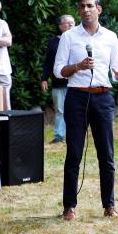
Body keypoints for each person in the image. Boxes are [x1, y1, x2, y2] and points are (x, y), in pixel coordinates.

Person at [53, 0, 118, 221]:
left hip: (103, 97)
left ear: (99, 9)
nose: (86, 10)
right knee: (74, 153)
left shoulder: (110, 37)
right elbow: (59, 70)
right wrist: (77, 66)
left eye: (90, 6)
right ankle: (69, 207)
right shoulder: (69, 37)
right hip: (76, 98)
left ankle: (109, 206)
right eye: (82, 7)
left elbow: (116, 68)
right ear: (78, 11)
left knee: (106, 154)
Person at [41, 15, 75, 144]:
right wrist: (44, 78)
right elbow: (48, 62)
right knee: (60, 110)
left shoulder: (79, 40)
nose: (70, 25)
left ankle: (74, 135)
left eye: (72, 23)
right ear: (60, 26)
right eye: (67, 23)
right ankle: (59, 136)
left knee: (74, 110)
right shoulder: (53, 42)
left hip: (76, 82)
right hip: (58, 83)